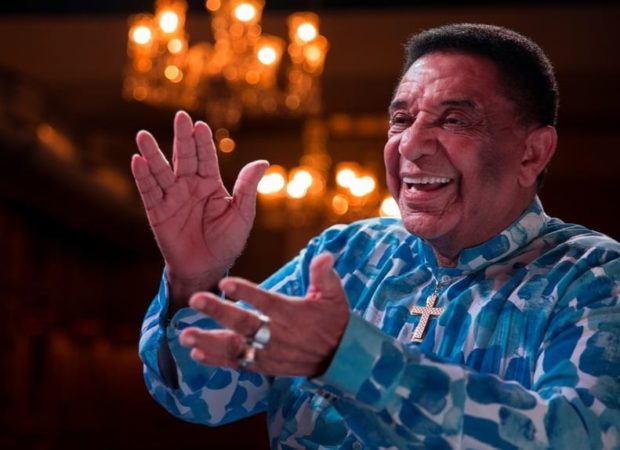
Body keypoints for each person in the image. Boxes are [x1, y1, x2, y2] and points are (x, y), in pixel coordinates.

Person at [131, 23, 620, 449]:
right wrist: (193, 279)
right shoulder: (347, 256)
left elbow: (577, 436)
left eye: (453, 120)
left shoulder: (594, 278)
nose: (410, 144)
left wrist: (349, 360)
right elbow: (204, 394)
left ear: (532, 153)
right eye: (401, 119)